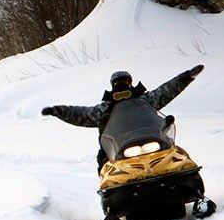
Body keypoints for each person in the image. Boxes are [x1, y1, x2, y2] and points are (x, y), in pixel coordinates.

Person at [41, 65, 205, 172]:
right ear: (112, 85)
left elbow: (167, 90)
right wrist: (58, 111)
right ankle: (111, 203)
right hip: (119, 150)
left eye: (125, 81)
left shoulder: (146, 100)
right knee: (105, 165)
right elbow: (80, 114)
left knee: (178, 155)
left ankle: (193, 185)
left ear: (130, 83)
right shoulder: (104, 109)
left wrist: (187, 76)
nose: (122, 85)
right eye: (119, 83)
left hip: (152, 141)